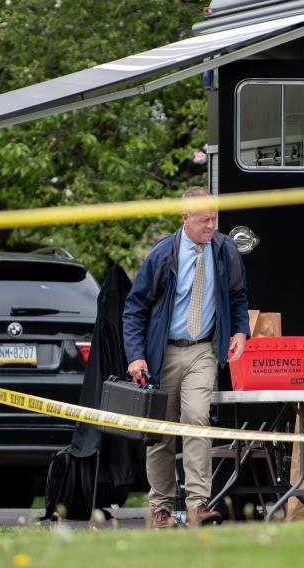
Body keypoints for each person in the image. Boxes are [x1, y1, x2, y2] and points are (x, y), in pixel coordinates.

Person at [122, 187, 249, 528]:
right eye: (205, 220)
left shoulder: (225, 251)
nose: (211, 226)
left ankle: (198, 505)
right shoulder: (163, 254)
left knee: (196, 419)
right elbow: (134, 308)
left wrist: (240, 331)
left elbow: (238, 297)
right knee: (161, 433)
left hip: (203, 351)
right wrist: (136, 356)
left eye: (214, 218)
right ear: (185, 219)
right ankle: (161, 509)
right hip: (162, 353)